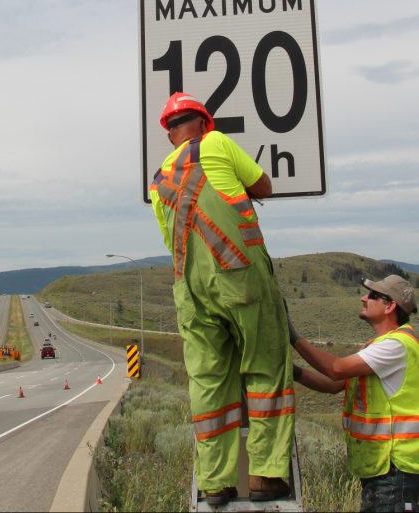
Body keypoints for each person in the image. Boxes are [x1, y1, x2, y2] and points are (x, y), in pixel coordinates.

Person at [149, 92, 294, 506]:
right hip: (240, 278)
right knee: (266, 366)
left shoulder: (158, 182)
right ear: (203, 122)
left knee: (209, 384)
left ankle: (215, 484)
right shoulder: (217, 142)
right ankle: (266, 474)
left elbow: (171, 242)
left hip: (191, 294)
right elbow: (263, 184)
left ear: (171, 134)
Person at [289, 275, 419, 512]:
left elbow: (336, 369)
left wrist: (293, 337)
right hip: (381, 470)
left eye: (372, 295)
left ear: (390, 306)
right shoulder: (378, 346)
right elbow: (333, 384)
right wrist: (290, 370)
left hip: (396, 470)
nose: (363, 298)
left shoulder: (396, 346)